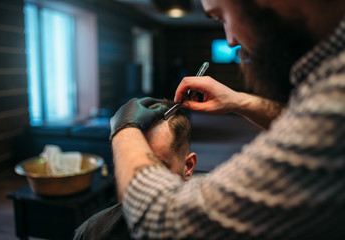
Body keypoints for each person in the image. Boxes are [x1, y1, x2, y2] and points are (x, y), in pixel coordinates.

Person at [110, 0, 345, 239]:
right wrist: (238, 101)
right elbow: (302, 120)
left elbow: (167, 222)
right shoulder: (329, 83)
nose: (231, 40)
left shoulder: (337, 94)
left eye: (222, 16)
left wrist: (124, 129)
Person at [74, 99, 198, 240]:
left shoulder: (215, 225)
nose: (141, 183)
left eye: (157, 169)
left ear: (188, 166)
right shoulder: (91, 233)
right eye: (130, 166)